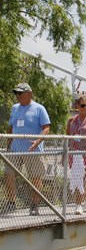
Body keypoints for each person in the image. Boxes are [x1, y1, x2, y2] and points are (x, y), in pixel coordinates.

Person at [3, 83, 51, 216]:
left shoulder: (39, 108)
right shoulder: (14, 108)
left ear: (29, 93)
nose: (17, 96)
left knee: (35, 178)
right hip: (15, 149)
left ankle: (34, 204)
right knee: (9, 174)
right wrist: (8, 142)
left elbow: (46, 127)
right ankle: (11, 203)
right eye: (16, 93)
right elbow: (11, 126)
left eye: (20, 93)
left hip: (32, 149)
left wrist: (38, 141)